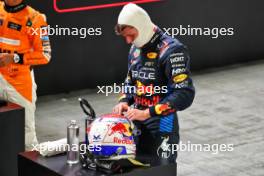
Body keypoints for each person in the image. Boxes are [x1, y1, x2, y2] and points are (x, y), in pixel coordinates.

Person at [113, 3, 195, 172]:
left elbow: (184, 93)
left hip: (163, 124)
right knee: (136, 171)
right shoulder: (135, 48)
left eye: (131, 35)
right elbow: (130, 80)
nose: (128, 40)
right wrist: (124, 101)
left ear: (142, 27)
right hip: (136, 121)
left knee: (162, 171)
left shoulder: (172, 50)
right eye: (125, 37)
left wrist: (147, 113)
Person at [0, 0, 51, 150]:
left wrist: (15, 58)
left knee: (27, 136)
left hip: (20, 85)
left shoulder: (35, 18)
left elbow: (45, 55)